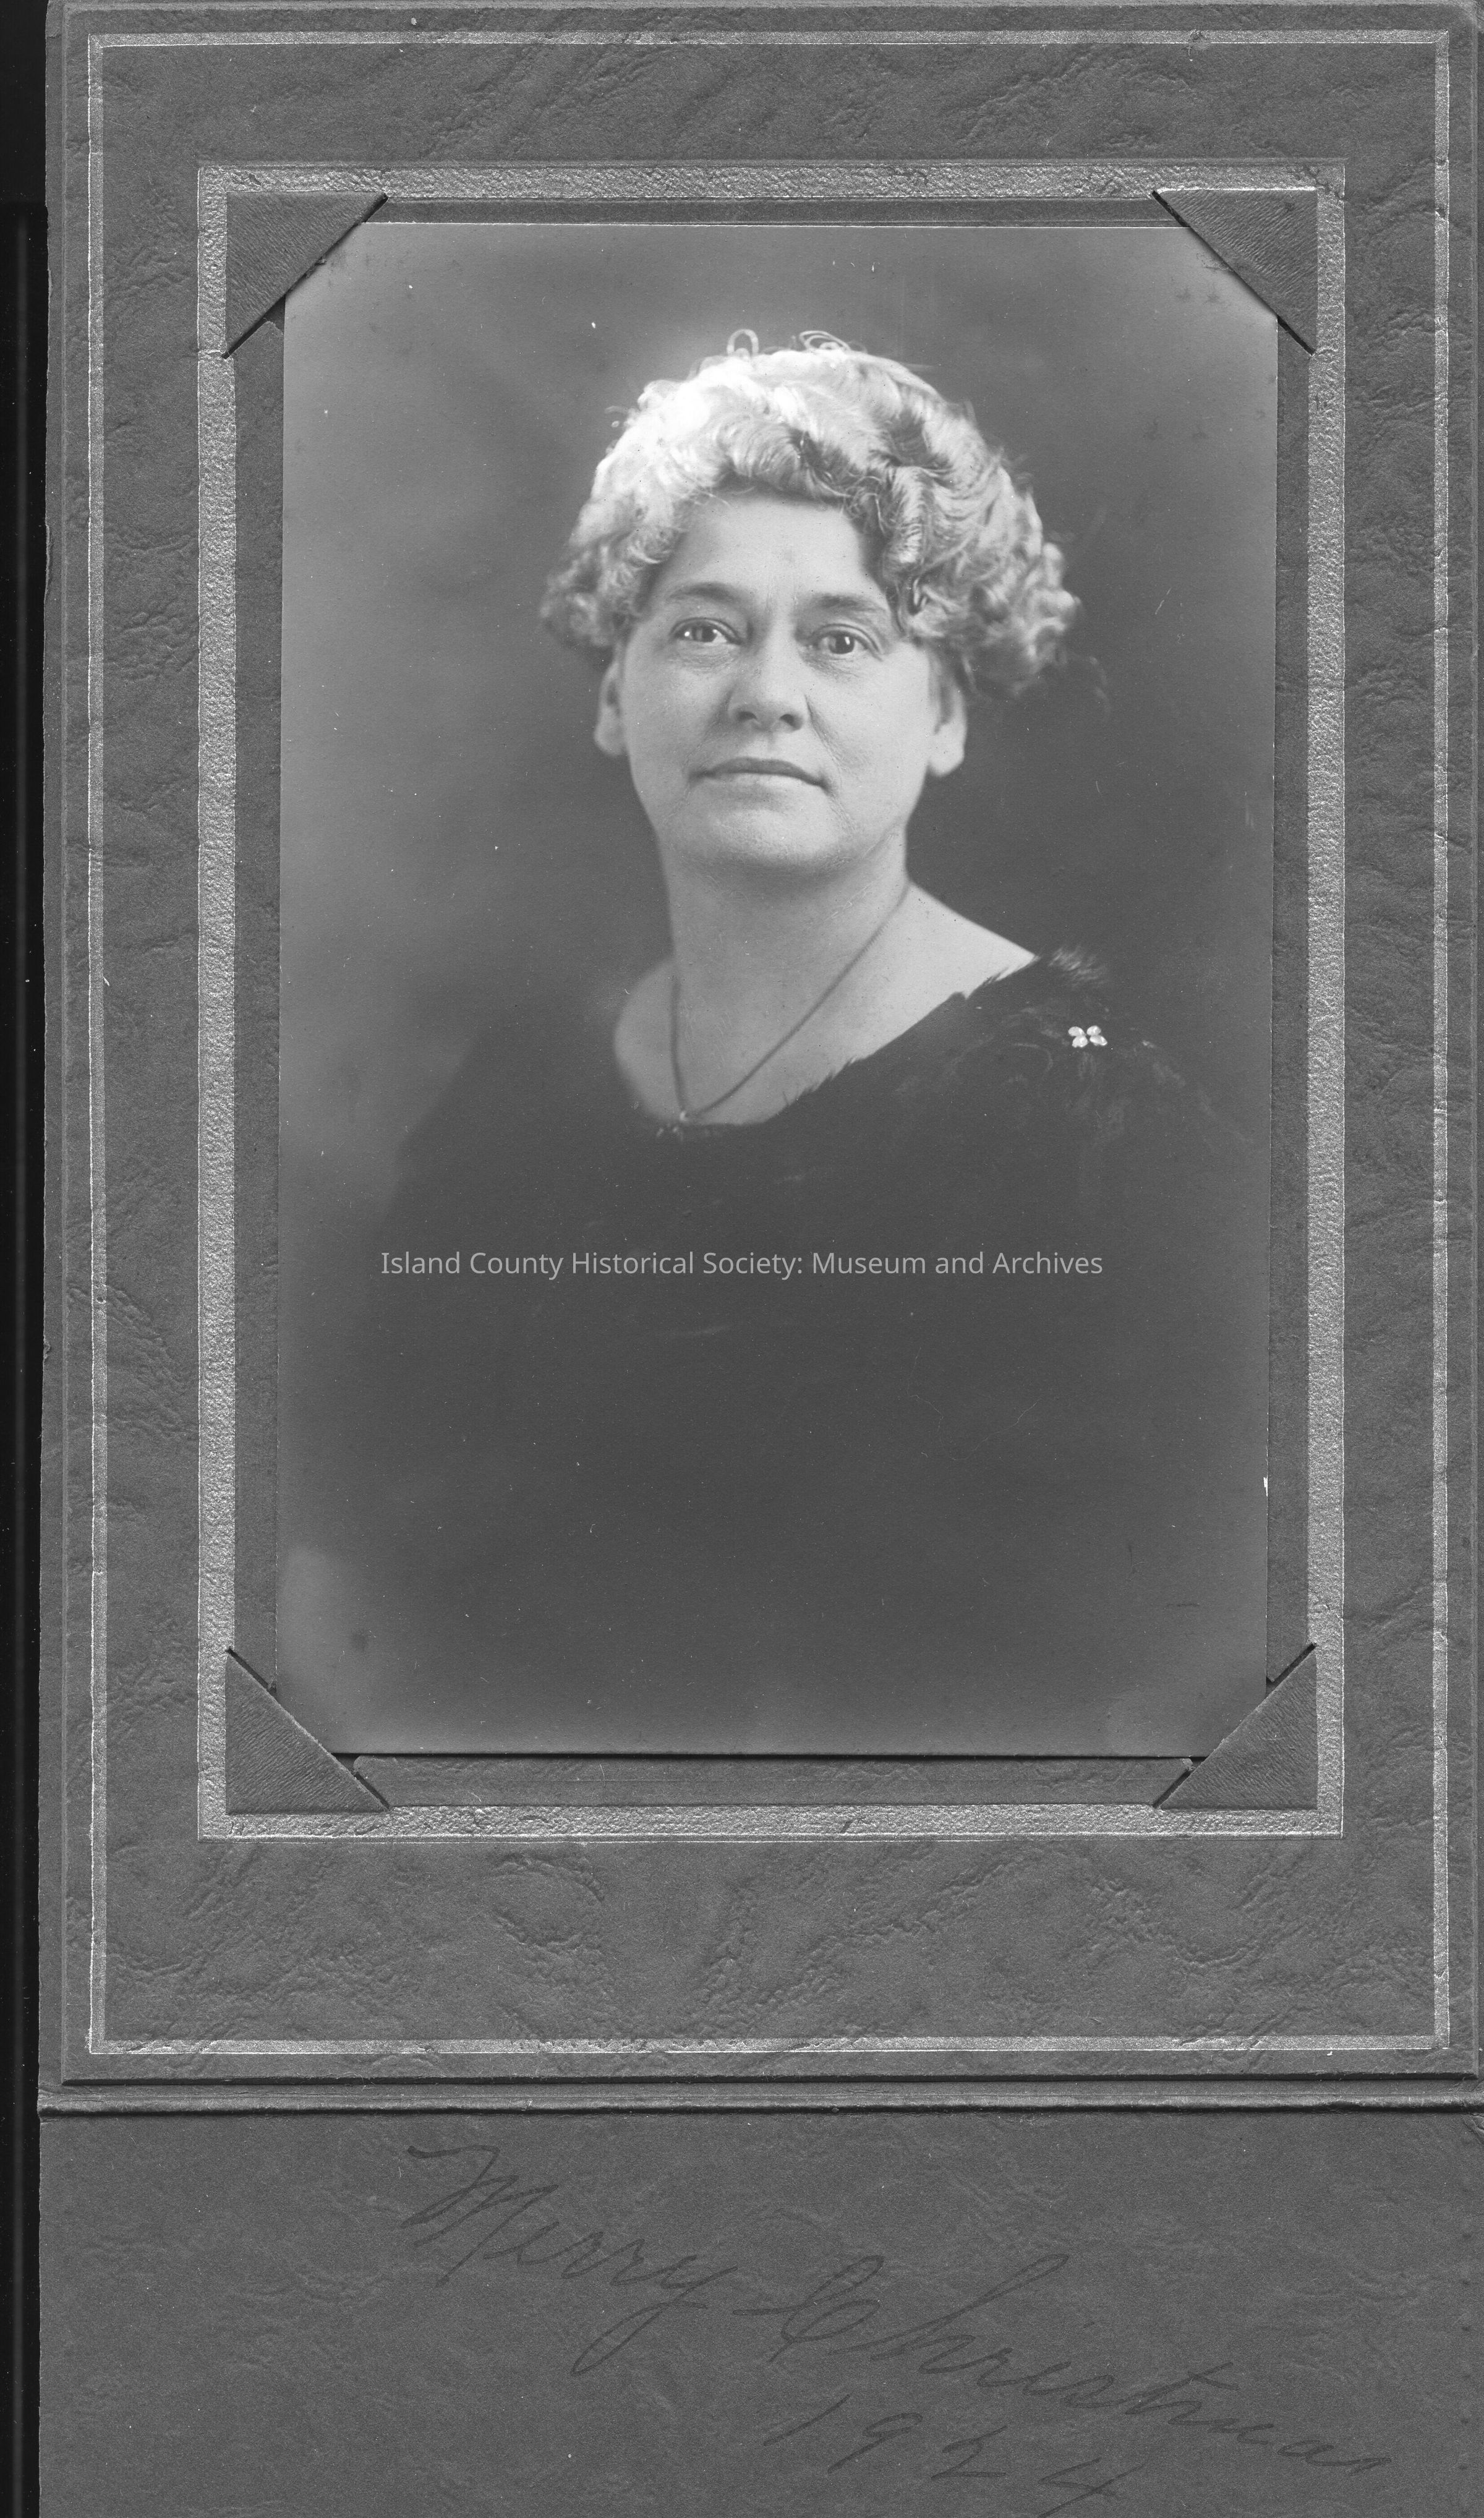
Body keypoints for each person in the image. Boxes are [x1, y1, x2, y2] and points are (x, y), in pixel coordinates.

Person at [281, 336, 1269, 1756]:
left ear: (945, 712)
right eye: (704, 628)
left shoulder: (1100, 1136)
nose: (766, 691)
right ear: (614, 693)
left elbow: (1181, 1686)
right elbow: (348, 1578)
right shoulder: (523, 1093)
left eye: (843, 637)